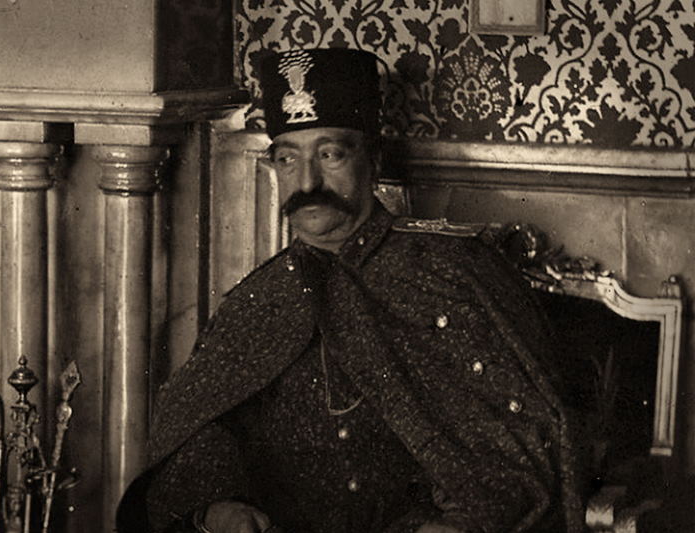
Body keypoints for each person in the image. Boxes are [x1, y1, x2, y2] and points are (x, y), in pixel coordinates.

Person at [117, 48, 584, 533]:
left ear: (373, 160)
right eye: (288, 158)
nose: (307, 181)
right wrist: (218, 506)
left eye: (330, 154)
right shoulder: (259, 298)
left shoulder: (454, 273)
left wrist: (462, 520)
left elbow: (522, 445)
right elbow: (204, 427)